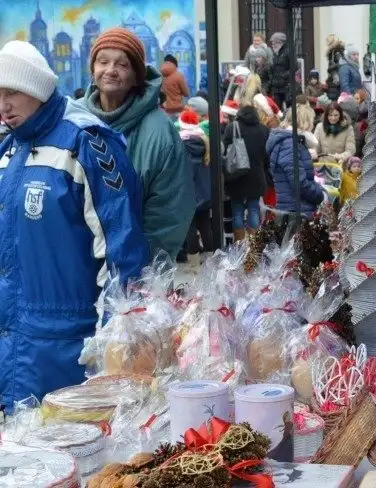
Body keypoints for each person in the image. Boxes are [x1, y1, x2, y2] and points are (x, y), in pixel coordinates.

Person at [0, 40, 149, 409]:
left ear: (35, 89)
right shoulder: (9, 149)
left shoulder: (85, 142)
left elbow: (122, 249)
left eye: (12, 93)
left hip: (70, 348)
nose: (3, 105)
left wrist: (114, 341)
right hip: (15, 344)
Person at [83, 28, 194, 260]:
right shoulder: (74, 120)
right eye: (103, 62)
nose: (110, 70)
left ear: (136, 76)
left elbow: (169, 213)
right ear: (93, 70)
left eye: (122, 65)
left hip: (136, 274)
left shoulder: (160, 132)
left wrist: (142, 273)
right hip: (79, 272)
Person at [223, 103, 270, 240]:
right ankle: (253, 246)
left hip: (236, 176)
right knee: (254, 210)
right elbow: (266, 156)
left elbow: (225, 151)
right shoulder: (264, 130)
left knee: (237, 211)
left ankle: (239, 245)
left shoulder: (232, 128)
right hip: (257, 176)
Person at [267, 112, 325, 220]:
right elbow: (299, 183)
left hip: (290, 205)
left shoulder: (289, 140)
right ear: (305, 122)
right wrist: (319, 194)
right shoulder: (290, 143)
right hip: (294, 208)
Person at [178, 109, 213, 269]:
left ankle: (193, 264)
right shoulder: (205, 143)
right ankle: (211, 258)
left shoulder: (180, 145)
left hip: (187, 193)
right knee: (205, 224)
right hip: (204, 192)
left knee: (189, 227)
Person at [270, 32, 292, 109]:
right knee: (277, 109)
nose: (273, 45)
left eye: (275, 43)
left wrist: (283, 76)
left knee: (290, 108)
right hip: (276, 87)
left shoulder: (289, 51)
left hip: (287, 86)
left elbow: (294, 67)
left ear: (281, 42)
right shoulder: (274, 53)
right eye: (272, 43)